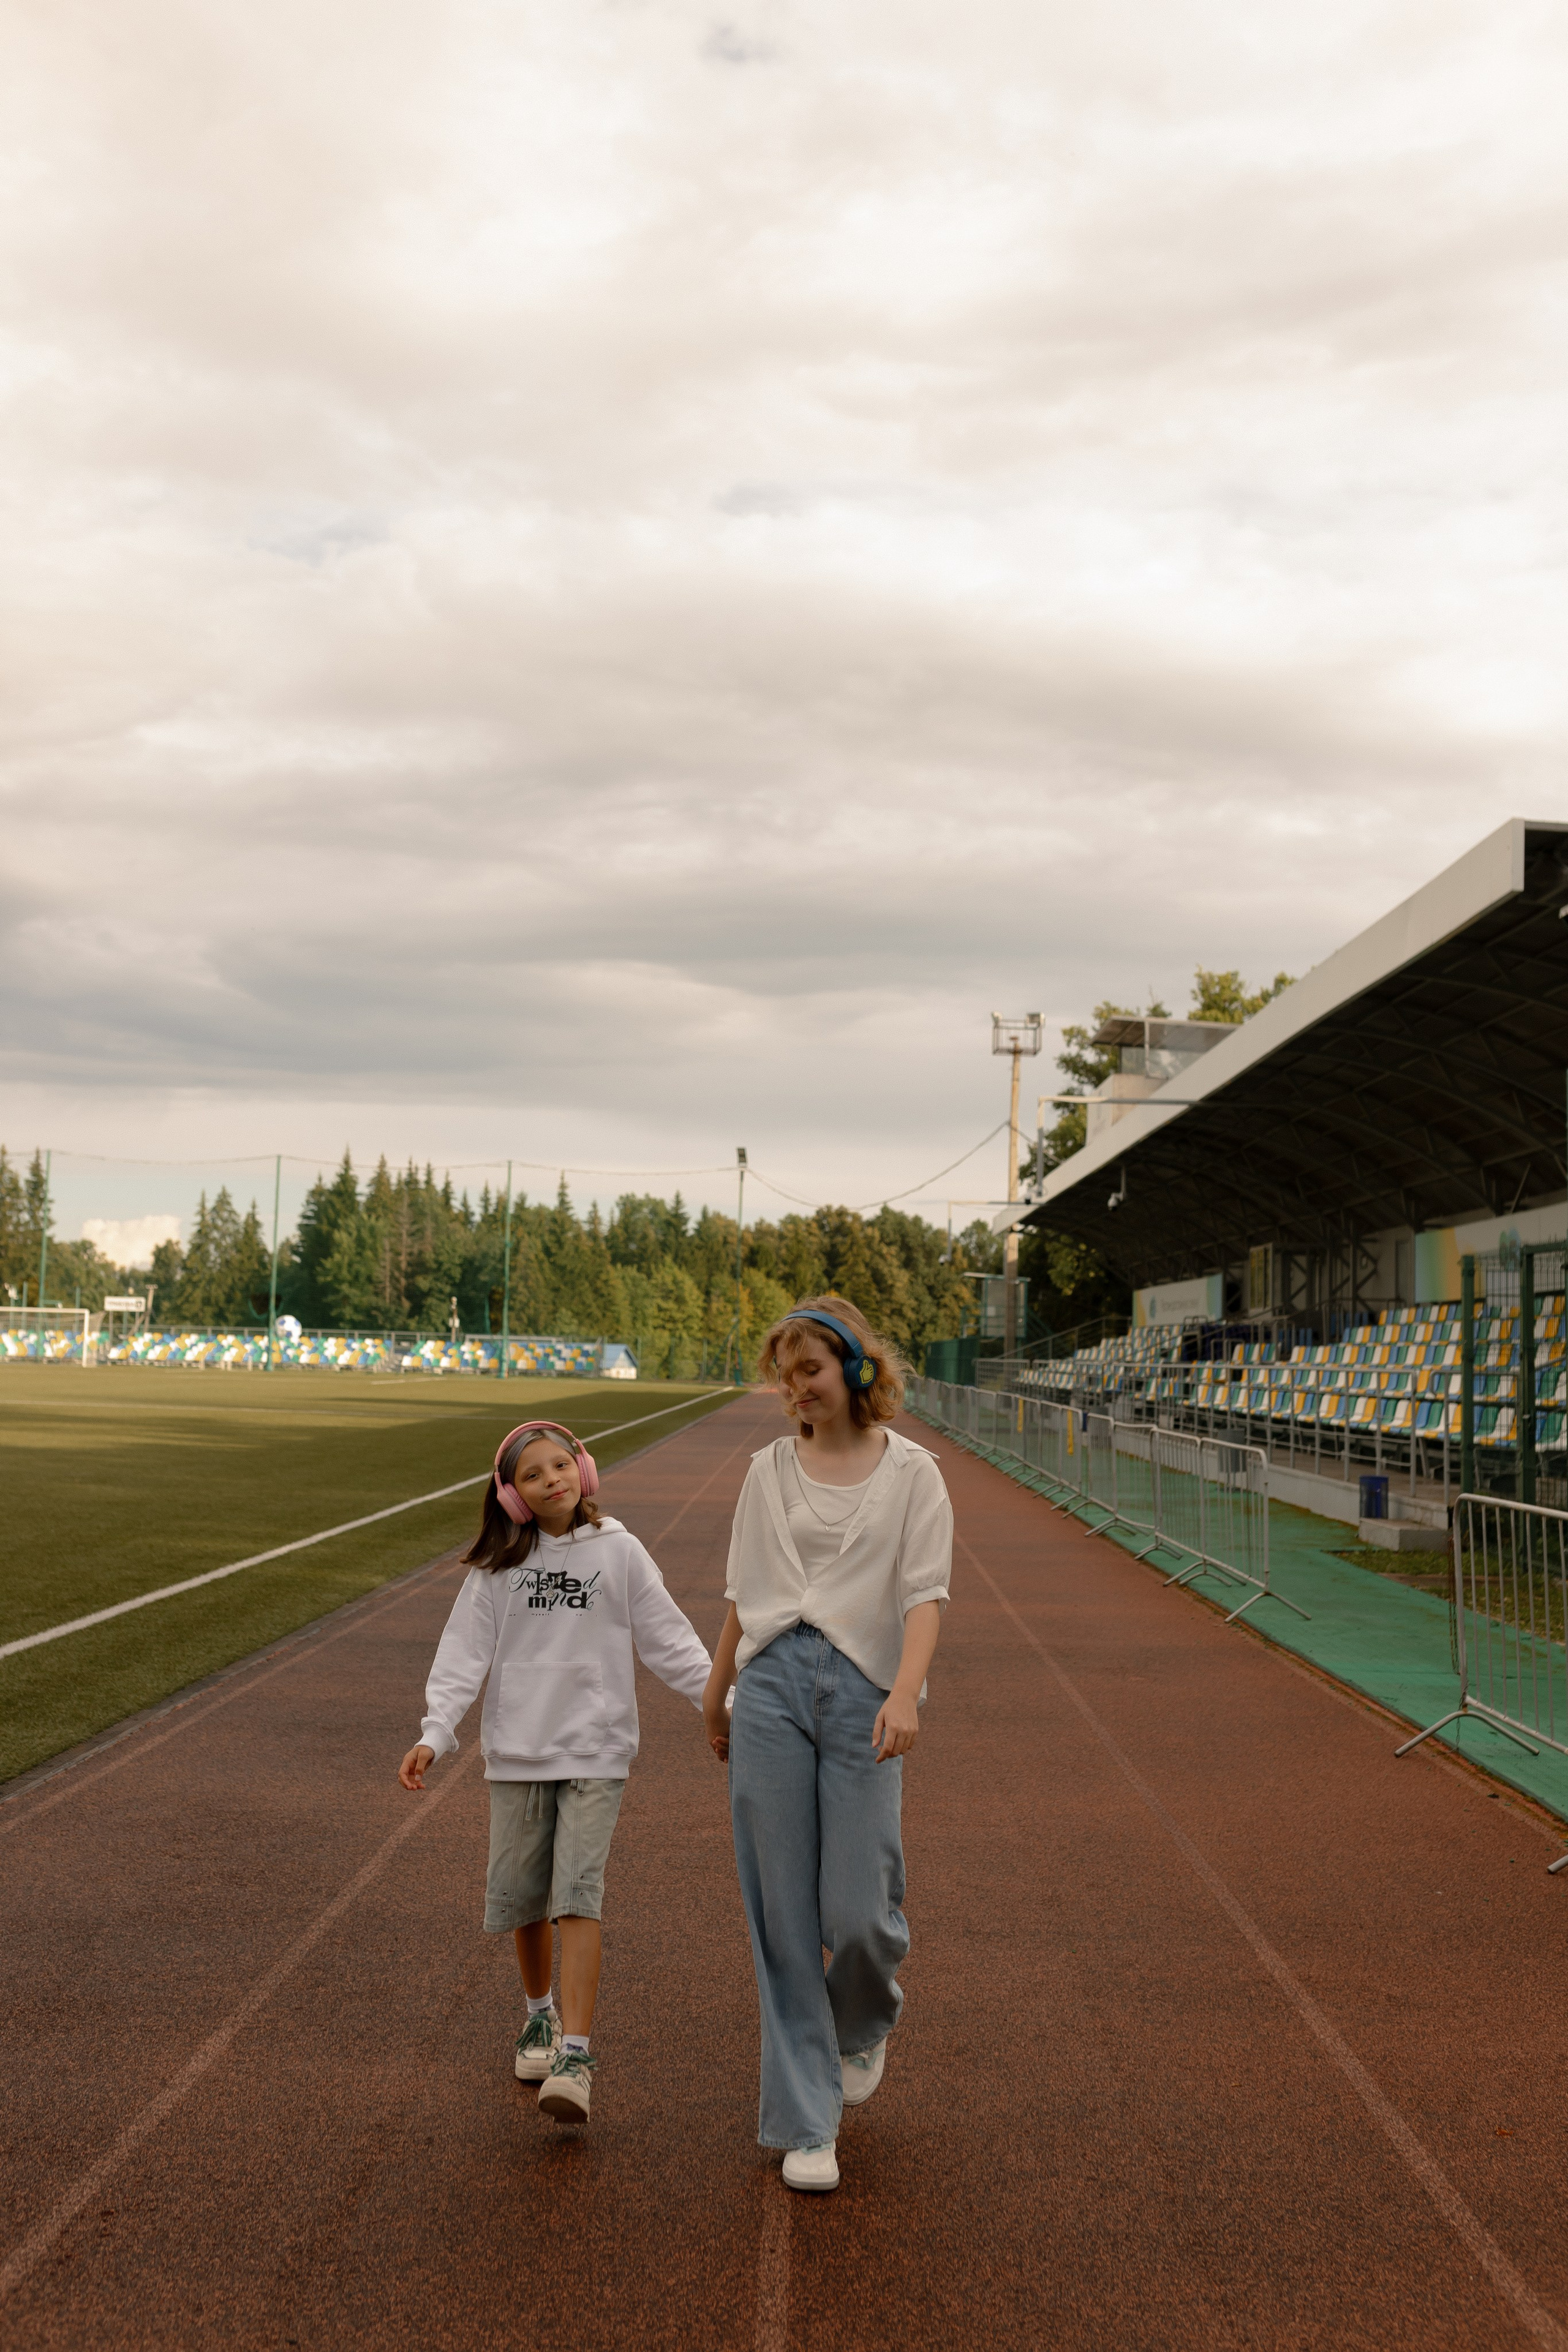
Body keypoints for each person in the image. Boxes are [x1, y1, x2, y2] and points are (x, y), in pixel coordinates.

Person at [703, 1296, 952, 2192]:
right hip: (769, 1685)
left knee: (857, 1910)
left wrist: (905, 1694)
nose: (794, 1388)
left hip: (864, 1693)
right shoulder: (768, 1469)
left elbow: (924, 1594)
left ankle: (866, 2019)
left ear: (853, 1367)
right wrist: (715, 1689)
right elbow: (744, 1590)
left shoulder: (916, 1474)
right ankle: (809, 2125)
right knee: (782, 1916)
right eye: (786, 1374)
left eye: (809, 1370)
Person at [399, 1419, 710, 2124]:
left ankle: (575, 2053)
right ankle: (537, 2015)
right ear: (512, 1496)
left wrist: (723, 1705)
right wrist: (435, 1732)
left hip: (596, 1751)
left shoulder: (620, 1550)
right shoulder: (498, 1567)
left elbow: (671, 1640)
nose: (551, 1481)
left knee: (577, 1894)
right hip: (515, 1752)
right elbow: (463, 1654)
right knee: (522, 1898)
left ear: (584, 1469)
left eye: (559, 1466)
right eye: (532, 1475)